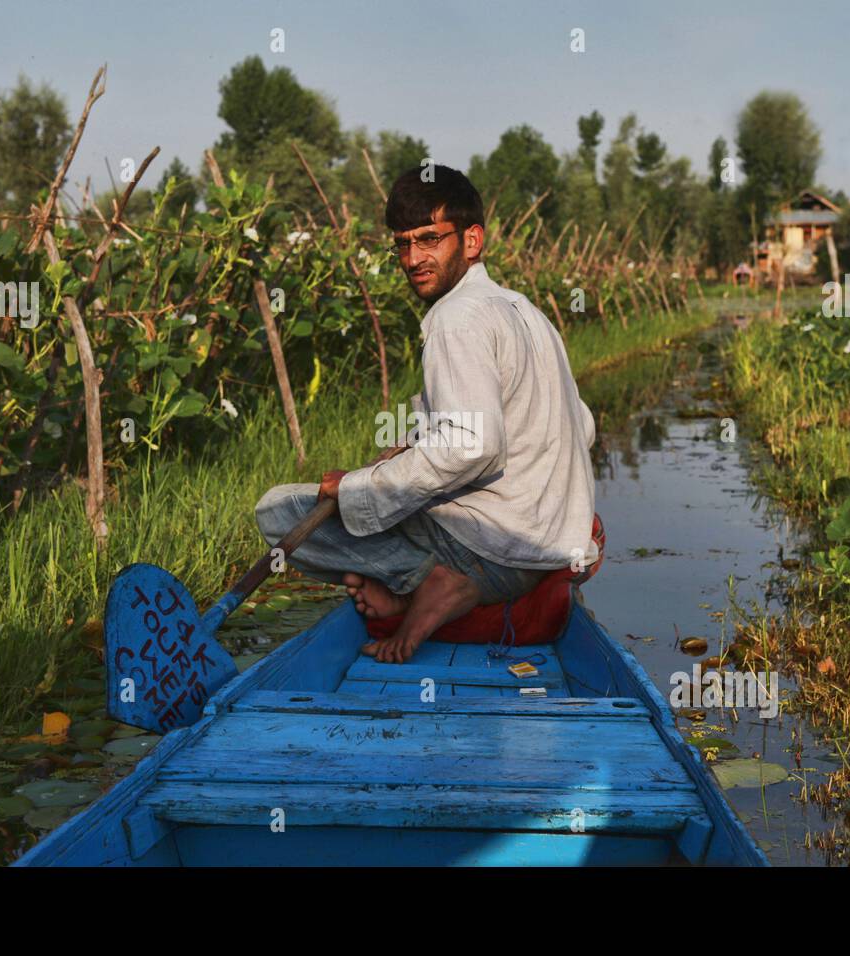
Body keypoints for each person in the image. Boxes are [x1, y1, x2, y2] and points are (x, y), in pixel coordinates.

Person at [255, 164, 597, 664]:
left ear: (472, 240)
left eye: (430, 240)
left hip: (495, 550)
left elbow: (471, 444)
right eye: (403, 244)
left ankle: (434, 582)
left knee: (279, 509)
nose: (414, 258)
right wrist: (407, 452)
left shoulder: (456, 317)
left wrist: (356, 488)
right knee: (401, 489)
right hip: (552, 541)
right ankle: (424, 586)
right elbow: (581, 425)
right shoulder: (525, 310)